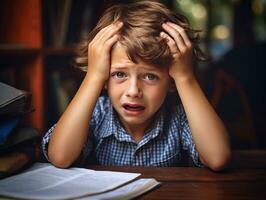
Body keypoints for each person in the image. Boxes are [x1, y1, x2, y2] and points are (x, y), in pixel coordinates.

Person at [42, 1, 231, 171]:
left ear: (171, 81)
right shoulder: (97, 113)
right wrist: (93, 77)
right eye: (119, 74)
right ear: (105, 78)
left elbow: (218, 158)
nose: (133, 91)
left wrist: (185, 78)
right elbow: (60, 157)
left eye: (150, 76)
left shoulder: (179, 117)